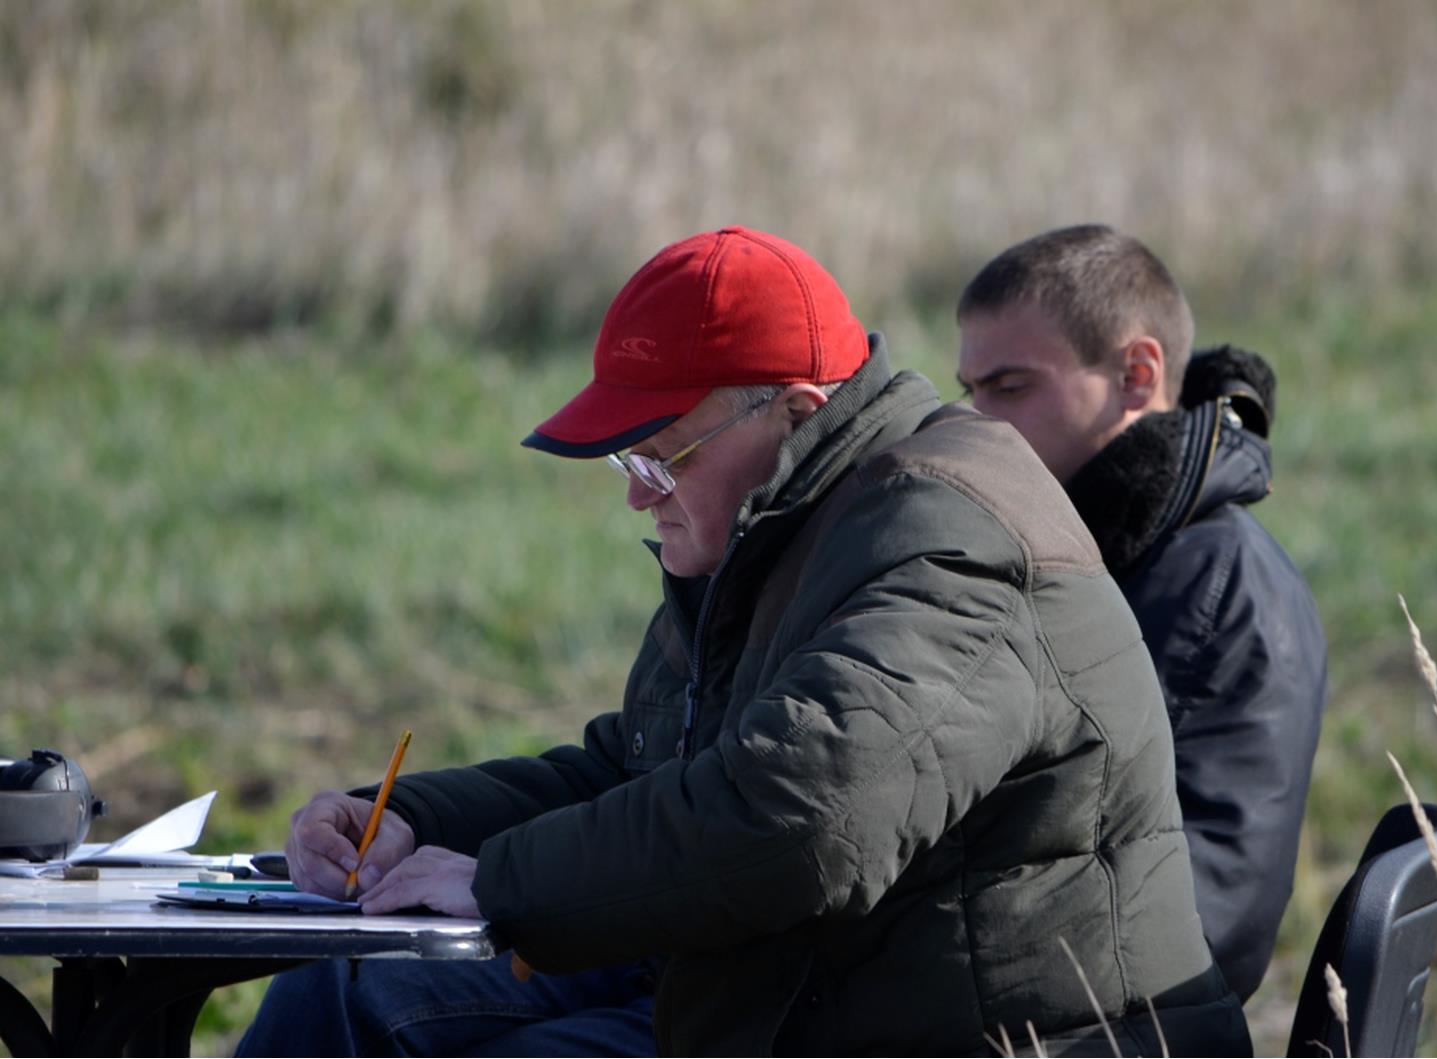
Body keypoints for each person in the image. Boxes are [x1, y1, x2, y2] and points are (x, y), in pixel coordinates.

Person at [240, 225, 1249, 1056]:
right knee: (347, 995)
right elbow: (641, 770)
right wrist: (412, 821)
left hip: (1002, 1041)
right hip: (804, 1005)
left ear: (796, 414)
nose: (639, 494)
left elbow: (801, 823)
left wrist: (501, 883)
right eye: (626, 462)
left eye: (663, 456)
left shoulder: (946, 539)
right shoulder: (771, 532)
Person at [956, 224, 1328, 1002]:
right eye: (971, 391)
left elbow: (1210, 920)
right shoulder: (1075, 550)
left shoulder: (1217, 586)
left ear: (1136, 374)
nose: (979, 423)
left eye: (1011, 388)